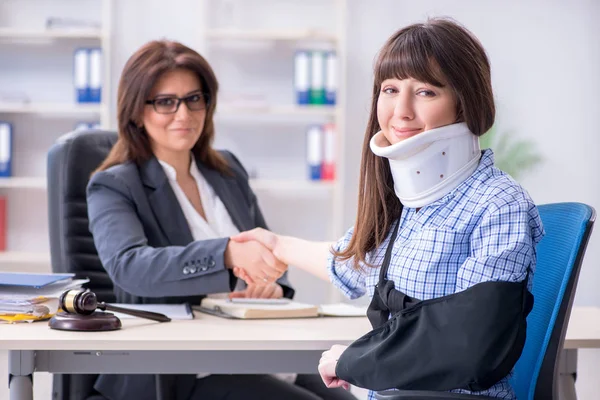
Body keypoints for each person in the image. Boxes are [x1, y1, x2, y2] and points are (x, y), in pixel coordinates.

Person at [232, 18, 545, 400]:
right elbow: (351, 261)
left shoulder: (499, 203)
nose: (401, 111)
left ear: (467, 100)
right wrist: (278, 245)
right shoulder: (411, 205)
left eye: (426, 92)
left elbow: (469, 338)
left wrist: (354, 360)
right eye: (390, 89)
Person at [86, 40, 357, 400]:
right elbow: (129, 266)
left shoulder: (226, 171)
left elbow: (270, 252)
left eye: (194, 99)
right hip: (184, 370)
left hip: (255, 350)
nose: (184, 114)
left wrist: (270, 286)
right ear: (137, 111)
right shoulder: (115, 184)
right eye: (166, 102)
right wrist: (225, 255)